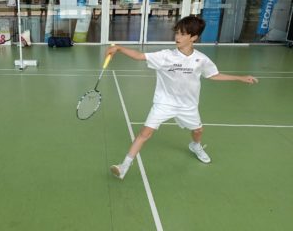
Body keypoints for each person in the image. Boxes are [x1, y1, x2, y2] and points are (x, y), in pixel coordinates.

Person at [106, 16, 258, 180]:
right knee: (145, 133)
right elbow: (139, 56)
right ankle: (124, 166)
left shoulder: (201, 59)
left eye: (183, 34)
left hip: (188, 106)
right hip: (164, 103)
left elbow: (214, 75)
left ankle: (196, 146)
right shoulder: (165, 55)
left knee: (198, 130)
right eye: (177, 33)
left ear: (194, 37)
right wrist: (119, 48)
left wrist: (240, 78)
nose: (177, 37)